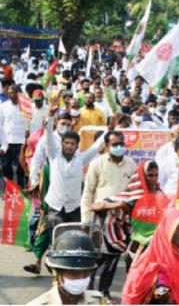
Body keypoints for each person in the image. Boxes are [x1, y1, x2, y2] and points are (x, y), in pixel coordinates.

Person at [80, 130, 136, 302]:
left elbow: (134, 190)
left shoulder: (131, 164)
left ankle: (104, 291)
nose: (119, 147)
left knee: (113, 258)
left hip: (120, 219)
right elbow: (88, 192)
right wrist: (85, 219)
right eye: (114, 144)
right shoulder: (97, 163)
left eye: (121, 144)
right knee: (96, 256)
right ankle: (87, 290)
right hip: (100, 215)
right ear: (106, 146)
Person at [44, 96, 106, 240]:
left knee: (73, 238)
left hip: (74, 206)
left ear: (77, 146)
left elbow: (97, 146)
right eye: (66, 143)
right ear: (62, 144)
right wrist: (51, 115)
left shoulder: (81, 159)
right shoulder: (54, 155)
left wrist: (110, 129)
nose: (69, 146)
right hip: (55, 206)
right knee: (56, 233)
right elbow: (48, 135)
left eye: (72, 144)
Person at [122, 209, 179, 304]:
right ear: (168, 228)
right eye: (177, 228)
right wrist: (156, 290)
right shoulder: (149, 258)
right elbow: (133, 291)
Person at [27, 230, 105, 305]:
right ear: (57, 272)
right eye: (75, 273)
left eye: (87, 272)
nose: (82, 278)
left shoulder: (100, 302)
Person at [0, 84, 27, 187]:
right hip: (7, 142)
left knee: (21, 168)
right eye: (9, 93)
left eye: (14, 93)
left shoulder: (25, 106)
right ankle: (9, 189)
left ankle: (21, 188)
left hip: (21, 142)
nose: (11, 95)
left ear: (19, 94)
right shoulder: (4, 106)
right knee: (6, 167)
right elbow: (1, 124)